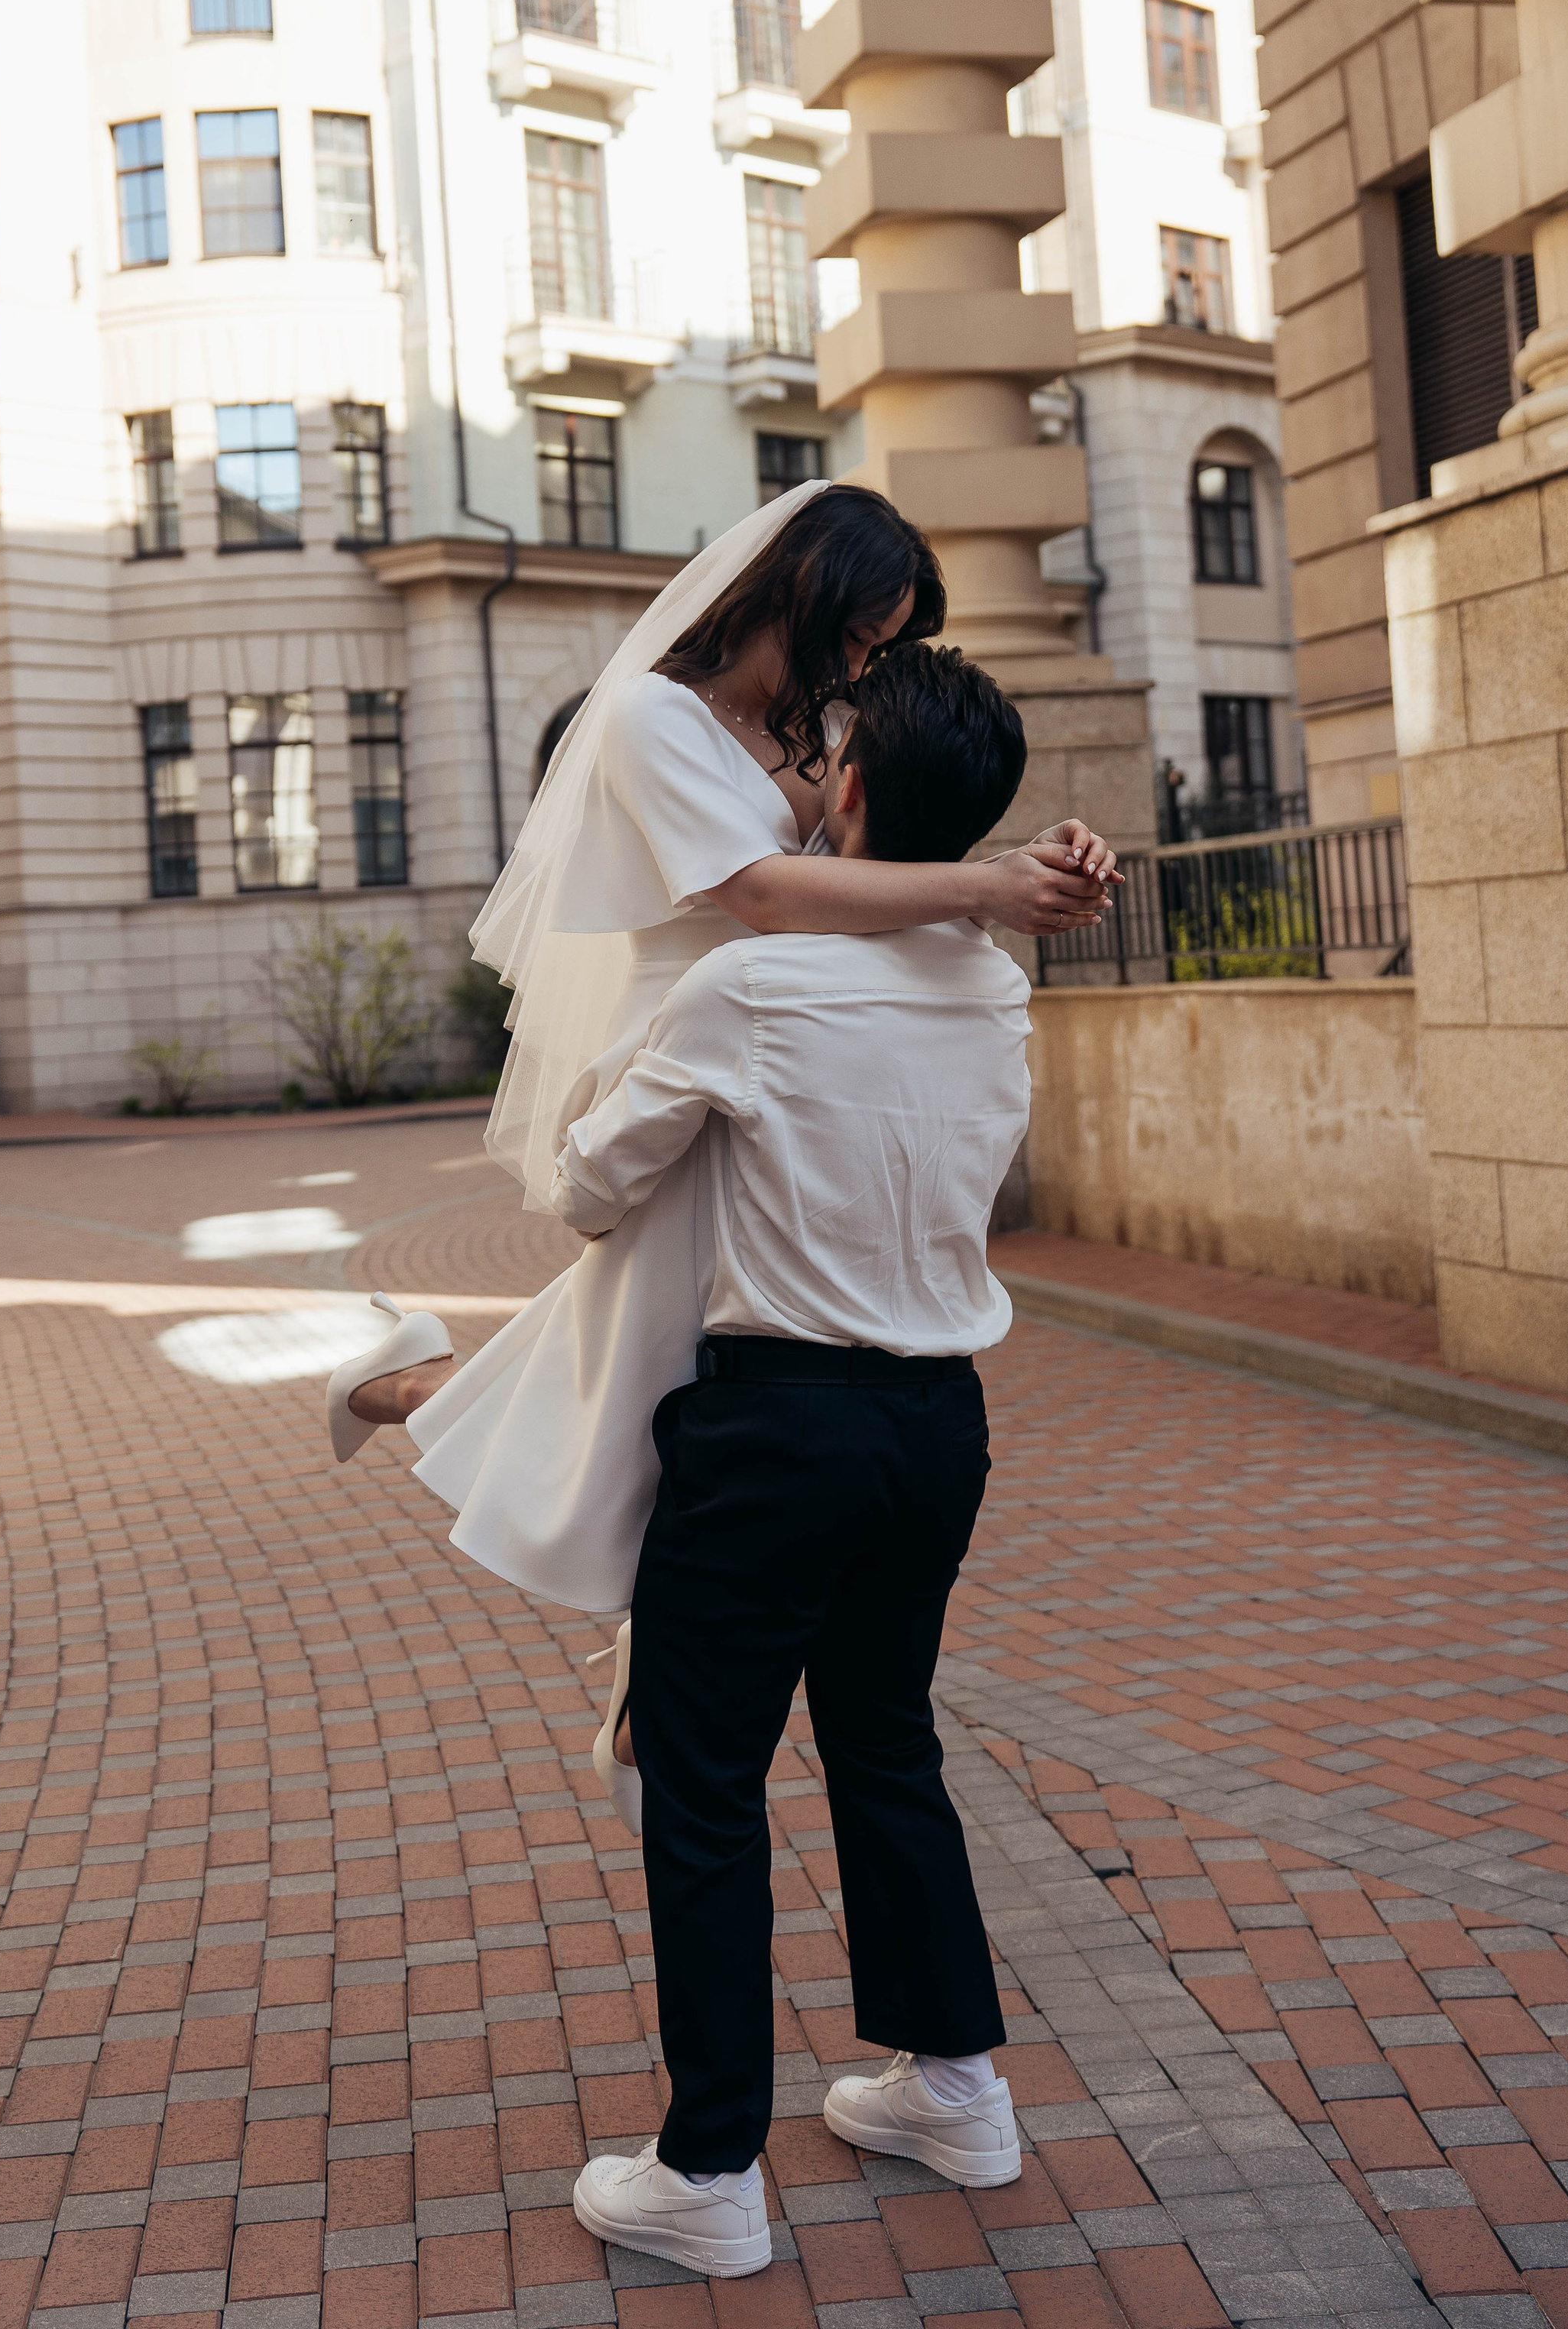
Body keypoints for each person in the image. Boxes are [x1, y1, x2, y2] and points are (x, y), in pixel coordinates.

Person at [324, 484, 1116, 1629]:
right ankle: (419, 1399)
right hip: (692, 1039)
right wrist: (988, 889)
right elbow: (759, 894)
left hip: (792, 1052)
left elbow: (879, 852)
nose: (862, 667)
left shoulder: (827, 724)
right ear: (800, 593)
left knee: (677, 1371)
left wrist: (1028, 857)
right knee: (645, 1374)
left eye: (880, 648)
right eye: (858, 637)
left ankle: (424, 1398)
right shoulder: (652, 717)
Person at [553, 642, 1035, 2279]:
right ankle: (956, 2090)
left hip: (778, 1427)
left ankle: (708, 2172)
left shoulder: (750, 988)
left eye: (819, 752)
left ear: (850, 784)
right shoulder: (994, 983)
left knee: (702, 1785)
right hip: (937, 1425)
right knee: (886, 1744)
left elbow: (589, 1189)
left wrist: (611, 1073)